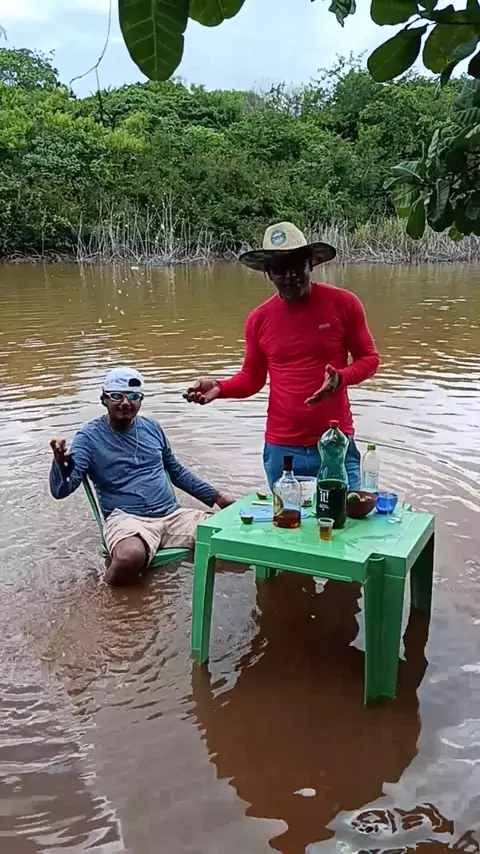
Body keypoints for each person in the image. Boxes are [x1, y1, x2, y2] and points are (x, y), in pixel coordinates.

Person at [184, 221, 379, 490]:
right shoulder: (259, 319)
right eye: (279, 269)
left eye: (297, 266)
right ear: (268, 274)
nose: (289, 276)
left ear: (310, 264)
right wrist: (220, 387)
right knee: (287, 517)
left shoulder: (344, 304)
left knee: (348, 514)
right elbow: (252, 377)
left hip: (334, 441)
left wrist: (341, 378)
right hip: (282, 446)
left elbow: (369, 359)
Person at [50, 367, 232, 586]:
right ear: (104, 399)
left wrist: (217, 496)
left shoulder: (151, 427)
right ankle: (105, 599)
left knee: (230, 537)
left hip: (173, 516)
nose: (126, 403)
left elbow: (176, 472)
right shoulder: (88, 438)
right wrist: (60, 464)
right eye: (117, 396)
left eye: (133, 397)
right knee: (129, 557)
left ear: (141, 400)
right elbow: (61, 490)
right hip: (127, 520)